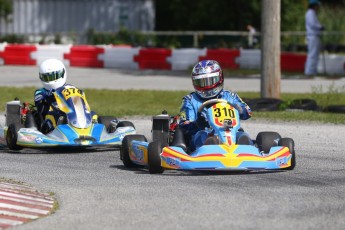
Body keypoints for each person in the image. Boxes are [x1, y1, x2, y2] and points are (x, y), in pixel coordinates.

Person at [174, 60, 252, 152]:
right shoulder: (190, 100)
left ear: (220, 78)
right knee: (204, 136)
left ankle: (246, 149)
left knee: (242, 135)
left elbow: (249, 112)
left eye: (211, 81)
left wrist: (241, 110)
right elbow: (184, 126)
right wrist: (197, 123)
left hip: (230, 132)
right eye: (202, 82)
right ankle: (210, 147)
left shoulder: (230, 96)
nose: (207, 86)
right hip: (202, 134)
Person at [34, 58, 74, 133]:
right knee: (52, 116)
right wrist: (49, 97)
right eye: (47, 78)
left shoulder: (71, 88)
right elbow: (40, 108)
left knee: (93, 114)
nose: (50, 81)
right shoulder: (40, 92)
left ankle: (85, 127)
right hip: (51, 118)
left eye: (54, 76)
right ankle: (55, 133)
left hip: (72, 114)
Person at [304, 0, 324, 77]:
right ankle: (309, 72)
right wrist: (320, 27)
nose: (318, 8)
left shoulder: (313, 14)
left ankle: (313, 71)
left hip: (315, 36)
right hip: (312, 36)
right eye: (317, 6)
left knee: (315, 54)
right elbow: (313, 24)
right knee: (312, 54)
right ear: (314, 5)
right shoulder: (310, 13)